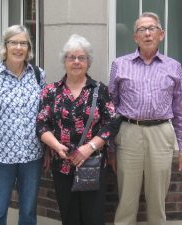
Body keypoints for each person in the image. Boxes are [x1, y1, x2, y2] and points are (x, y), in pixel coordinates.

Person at [109, 12, 182, 225]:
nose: (147, 33)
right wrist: (110, 147)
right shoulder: (120, 65)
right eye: (141, 30)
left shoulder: (173, 66)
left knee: (157, 198)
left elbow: (181, 110)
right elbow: (111, 107)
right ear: (135, 37)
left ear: (161, 34)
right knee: (127, 197)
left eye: (152, 28)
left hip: (161, 133)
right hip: (129, 133)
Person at [36, 34, 121, 225]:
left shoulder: (100, 91)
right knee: (69, 216)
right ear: (64, 61)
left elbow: (112, 123)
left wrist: (89, 147)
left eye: (81, 58)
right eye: (71, 57)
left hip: (93, 164)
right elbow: (41, 124)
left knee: (93, 217)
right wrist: (56, 146)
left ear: (88, 62)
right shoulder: (51, 91)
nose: (76, 62)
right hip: (62, 164)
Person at [0, 25, 46, 225]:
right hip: (0, 159)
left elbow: (44, 115)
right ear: (5, 46)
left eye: (23, 43)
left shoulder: (38, 75)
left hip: (32, 156)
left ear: (28, 47)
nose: (18, 48)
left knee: (28, 213)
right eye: (13, 42)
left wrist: (47, 149)